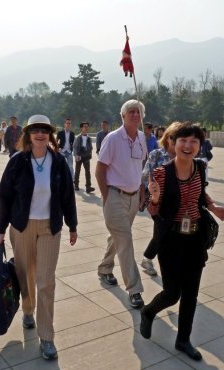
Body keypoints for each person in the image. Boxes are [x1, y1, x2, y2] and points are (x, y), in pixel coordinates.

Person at [140, 122, 224, 361]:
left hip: (195, 238)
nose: (188, 145)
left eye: (194, 141)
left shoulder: (200, 168)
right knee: (172, 294)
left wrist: (213, 207)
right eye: (183, 140)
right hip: (171, 239)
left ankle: (183, 340)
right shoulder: (161, 173)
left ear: (200, 146)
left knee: (191, 293)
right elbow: (153, 209)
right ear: (173, 142)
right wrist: (156, 197)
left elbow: (201, 194)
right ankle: (148, 312)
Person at [0, 114, 77, 360]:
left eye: (44, 130)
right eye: (35, 130)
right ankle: (28, 309)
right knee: (25, 274)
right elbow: (5, 197)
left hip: (50, 228)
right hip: (22, 227)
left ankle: (47, 336)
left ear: (49, 135)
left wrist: (72, 225)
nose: (40, 134)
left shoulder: (59, 161)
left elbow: (67, 196)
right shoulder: (17, 161)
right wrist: (0, 229)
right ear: (28, 134)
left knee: (45, 280)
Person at [95, 99, 147, 308]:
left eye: (138, 112)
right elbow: (100, 169)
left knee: (117, 237)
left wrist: (141, 190)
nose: (135, 115)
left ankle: (105, 267)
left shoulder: (142, 137)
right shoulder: (113, 138)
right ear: (123, 115)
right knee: (125, 241)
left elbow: (140, 167)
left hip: (134, 197)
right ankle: (134, 289)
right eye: (131, 111)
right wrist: (107, 196)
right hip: (115, 196)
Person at [140, 122, 178, 276]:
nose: (177, 142)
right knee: (161, 230)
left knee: (167, 231)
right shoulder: (156, 154)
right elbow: (144, 176)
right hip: (157, 201)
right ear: (167, 138)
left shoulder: (183, 156)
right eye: (174, 138)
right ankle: (148, 259)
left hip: (177, 201)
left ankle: (149, 259)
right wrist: (146, 191)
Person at [73, 122, 95, 193]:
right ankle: (76, 185)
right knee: (77, 171)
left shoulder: (89, 138)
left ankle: (88, 187)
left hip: (86, 156)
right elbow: (75, 147)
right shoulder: (78, 137)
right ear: (81, 128)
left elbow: (91, 147)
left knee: (87, 172)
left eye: (87, 127)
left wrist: (89, 153)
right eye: (84, 127)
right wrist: (76, 155)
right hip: (79, 155)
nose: (86, 128)